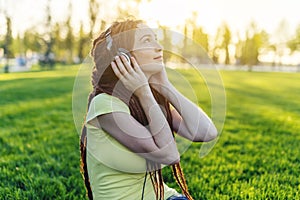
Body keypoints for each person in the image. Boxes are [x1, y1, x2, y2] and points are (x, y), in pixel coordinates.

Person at [80, 19, 218, 200]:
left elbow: (207, 132)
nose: (159, 47)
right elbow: (169, 154)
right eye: (147, 40)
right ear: (123, 57)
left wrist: (164, 84)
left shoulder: (148, 97)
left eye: (156, 39)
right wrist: (144, 92)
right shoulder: (106, 105)